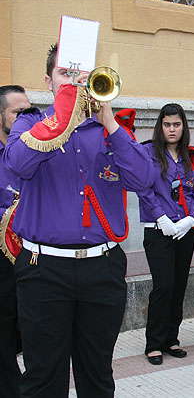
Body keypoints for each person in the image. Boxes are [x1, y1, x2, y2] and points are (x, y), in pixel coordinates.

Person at [4, 43, 153, 397]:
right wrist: (60, 118)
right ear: (48, 81)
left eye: (81, 76)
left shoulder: (107, 130)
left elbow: (144, 179)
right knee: (43, 375)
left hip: (101, 269)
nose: (75, 82)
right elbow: (18, 164)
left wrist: (111, 123)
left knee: (97, 372)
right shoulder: (30, 123)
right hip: (44, 269)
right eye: (65, 74)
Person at [138, 103, 194, 365]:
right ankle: (154, 343)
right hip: (159, 230)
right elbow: (143, 189)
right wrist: (162, 218)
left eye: (176, 124)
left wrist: (191, 219)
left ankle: (171, 339)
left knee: (178, 285)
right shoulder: (147, 153)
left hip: (184, 231)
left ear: (183, 126)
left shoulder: (193, 157)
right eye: (167, 124)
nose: (171, 129)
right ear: (160, 126)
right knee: (163, 285)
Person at [0, 84, 30, 398]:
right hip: (3, 259)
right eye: (18, 113)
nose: (26, 118)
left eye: (29, 111)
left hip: (36, 258)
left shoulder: (38, 150)